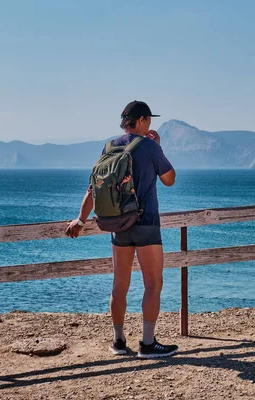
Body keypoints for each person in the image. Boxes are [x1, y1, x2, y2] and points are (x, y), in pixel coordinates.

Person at [65, 100, 177, 358]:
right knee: (153, 283)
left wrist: (81, 220)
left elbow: (94, 188)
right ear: (140, 121)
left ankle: (118, 341)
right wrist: (158, 148)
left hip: (117, 224)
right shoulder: (149, 146)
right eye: (148, 119)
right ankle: (148, 344)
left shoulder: (108, 147)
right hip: (146, 224)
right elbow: (170, 179)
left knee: (120, 284)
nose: (150, 124)